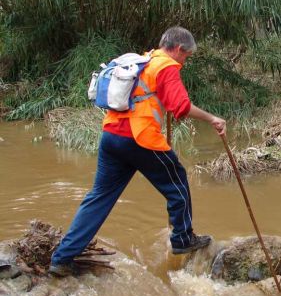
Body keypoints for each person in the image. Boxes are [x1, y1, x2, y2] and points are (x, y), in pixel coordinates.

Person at [49, 27, 226, 277]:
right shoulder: (166, 66)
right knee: (177, 182)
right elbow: (182, 108)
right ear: (178, 49)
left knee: (99, 197)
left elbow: (150, 99)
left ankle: (62, 258)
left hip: (111, 136)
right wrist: (212, 119)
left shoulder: (145, 61)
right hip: (140, 138)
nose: (185, 61)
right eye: (186, 56)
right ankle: (182, 239)